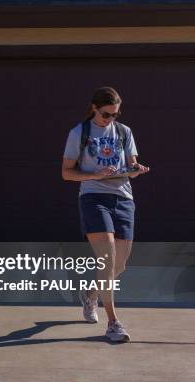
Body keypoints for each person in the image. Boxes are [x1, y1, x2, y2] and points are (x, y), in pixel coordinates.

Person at [61, 87, 149, 342]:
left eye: (115, 114)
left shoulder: (124, 132)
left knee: (119, 264)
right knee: (107, 260)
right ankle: (113, 322)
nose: (110, 119)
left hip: (123, 198)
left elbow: (130, 164)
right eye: (106, 114)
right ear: (94, 108)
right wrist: (95, 175)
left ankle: (90, 294)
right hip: (93, 197)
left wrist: (136, 169)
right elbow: (67, 173)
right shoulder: (79, 133)